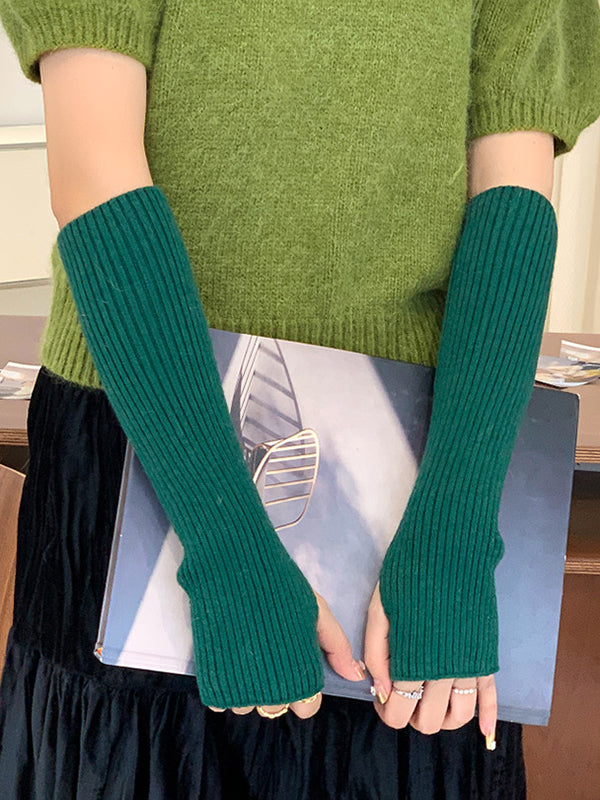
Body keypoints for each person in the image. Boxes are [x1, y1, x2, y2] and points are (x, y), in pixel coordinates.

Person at [1, 1, 600, 798]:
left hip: (423, 458)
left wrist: (455, 529)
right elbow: (95, 174)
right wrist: (225, 544)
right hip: (147, 419)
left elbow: (512, 200)